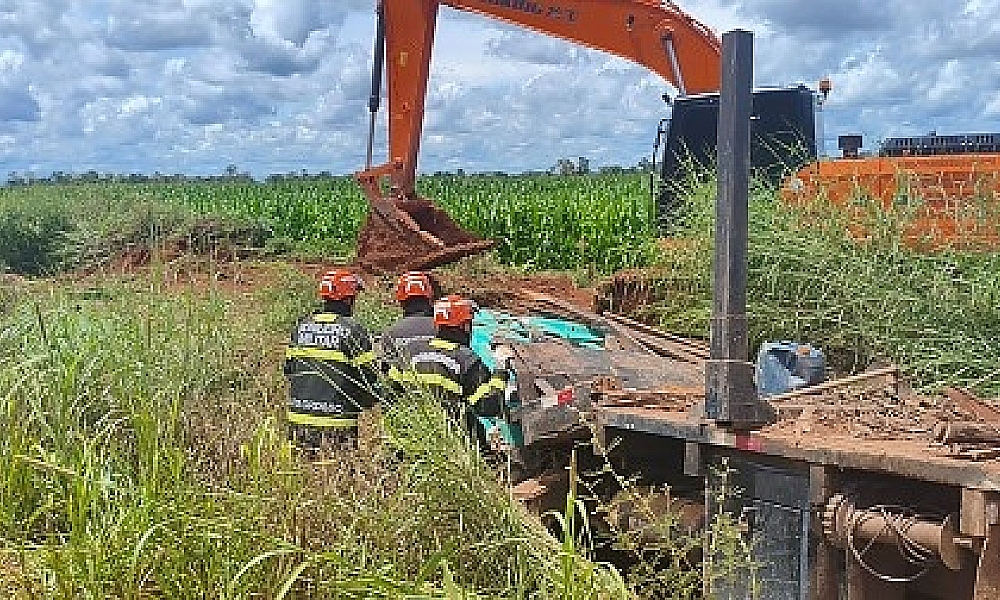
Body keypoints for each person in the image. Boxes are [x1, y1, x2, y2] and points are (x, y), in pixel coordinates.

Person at [388, 294, 506, 445]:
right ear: (464, 326)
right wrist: (500, 373)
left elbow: (390, 396)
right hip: (451, 443)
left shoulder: (409, 351)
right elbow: (488, 407)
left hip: (409, 438)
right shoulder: (465, 359)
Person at [284, 269, 379, 449]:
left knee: (302, 475)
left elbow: (289, 371)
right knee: (338, 473)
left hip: (298, 422)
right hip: (337, 426)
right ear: (349, 299)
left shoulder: (301, 327)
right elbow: (368, 378)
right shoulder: (354, 330)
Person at [379, 270, 439, 369]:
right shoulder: (442, 329)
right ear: (429, 297)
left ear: (401, 301)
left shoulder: (391, 333)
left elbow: (387, 370)